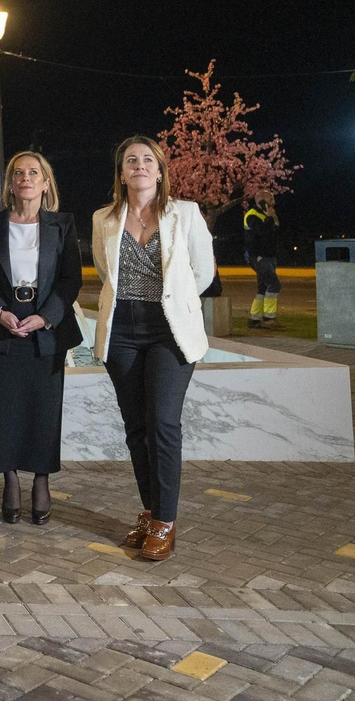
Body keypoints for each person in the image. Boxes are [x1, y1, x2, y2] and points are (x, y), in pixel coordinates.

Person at [92, 136, 215, 562]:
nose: (140, 166)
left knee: (162, 422)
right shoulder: (104, 218)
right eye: (131, 160)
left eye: (148, 160)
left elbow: (203, 271)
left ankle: (165, 521)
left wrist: (177, 304)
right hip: (122, 329)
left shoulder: (186, 214)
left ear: (160, 171)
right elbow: (105, 270)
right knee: (136, 427)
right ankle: (149, 511)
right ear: (121, 172)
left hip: (169, 332)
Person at [0, 151, 82, 525]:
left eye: (33, 172)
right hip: (3, 329)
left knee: (44, 412)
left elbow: (70, 280)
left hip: (45, 333)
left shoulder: (62, 225)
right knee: (3, 410)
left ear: (46, 183)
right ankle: (10, 479)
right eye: (18, 173)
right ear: (10, 183)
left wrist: (45, 318)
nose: (25, 178)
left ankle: (41, 480)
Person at [243, 190, 282, 329]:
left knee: (263, 288)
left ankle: (254, 318)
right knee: (274, 284)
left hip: (269, 256)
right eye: (271, 199)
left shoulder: (265, 214)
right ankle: (269, 318)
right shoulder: (252, 216)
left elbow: (274, 232)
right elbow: (262, 233)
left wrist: (273, 218)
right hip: (259, 257)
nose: (274, 202)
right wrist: (270, 218)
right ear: (262, 201)